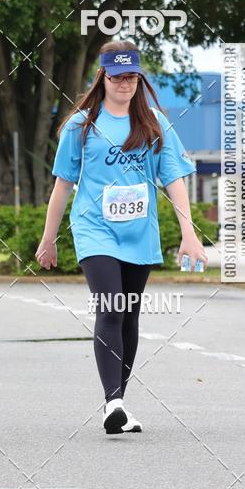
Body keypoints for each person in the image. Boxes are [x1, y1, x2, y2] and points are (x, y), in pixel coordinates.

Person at [36, 40, 207, 437]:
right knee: (111, 307)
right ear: (103, 77)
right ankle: (113, 400)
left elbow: (175, 180)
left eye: (131, 77)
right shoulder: (81, 126)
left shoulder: (154, 124)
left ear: (139, 79)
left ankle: (119, 404)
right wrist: (49, 239)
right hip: (95, 229)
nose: (124, 84)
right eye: (117, 77)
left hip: (138, 234)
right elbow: (63, 185)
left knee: (129, 315)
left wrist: (189, 234)